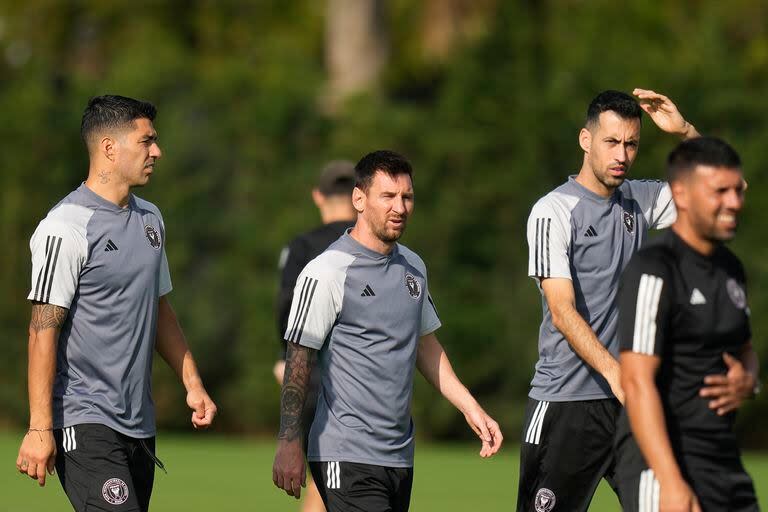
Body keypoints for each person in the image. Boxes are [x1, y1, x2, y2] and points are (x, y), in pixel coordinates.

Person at [516, 88, 752, 512]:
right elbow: (561, 310)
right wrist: (614, 373)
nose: (622, 154)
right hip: (568, 403)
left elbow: (725, 192)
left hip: (633, 402)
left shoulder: (639, 201)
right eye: (611, 142)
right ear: (586, 141)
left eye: (631, 144)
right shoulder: (553, 211)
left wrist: (684, 131)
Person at [15, 95, 217, 512]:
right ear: (109, 148)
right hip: (83, 418)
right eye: (147, 142)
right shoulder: (65, 227)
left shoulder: (151, 220)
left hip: (139, 424)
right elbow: (42, 330)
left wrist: (192, 383)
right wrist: (39, 427)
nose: (157, 151)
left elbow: (159, 309)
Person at [273, 150, 503, 512]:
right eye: (388, 196)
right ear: (359, 199)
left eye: (407, 196)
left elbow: (426, 347)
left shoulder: (413, 266)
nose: (400, 207)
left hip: (398, 456)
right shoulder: (327, 271)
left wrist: (470, 408)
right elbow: (298, 357)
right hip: (344, 453)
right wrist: (288, 442)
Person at [616, 137, 759, 512]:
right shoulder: (654, 268)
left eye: (736, 190)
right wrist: (671, 481)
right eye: (719, 192)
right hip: (661, 465)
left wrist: (748, 379)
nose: (734, 202)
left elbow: (744, 352)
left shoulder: (731, 269)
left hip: (722, 461)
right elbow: (636, 381)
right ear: (681, 194)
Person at [274, 160, 357, 512]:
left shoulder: (303, 246)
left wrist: (284, 358)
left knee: (321, 483)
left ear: (318, 196)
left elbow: (285, 307)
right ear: (359, 197)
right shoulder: (369, 248)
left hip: (309, 379)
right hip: (357, 384)